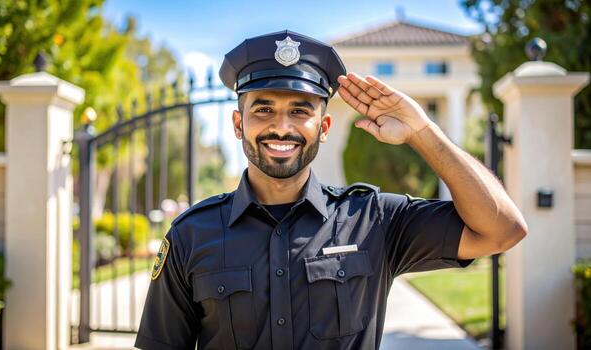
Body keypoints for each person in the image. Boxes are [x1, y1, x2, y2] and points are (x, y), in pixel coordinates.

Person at [134, 30, 527, 350]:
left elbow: (503, 230)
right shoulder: (190, 235)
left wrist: (423, 133)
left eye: (301, 110)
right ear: (239, 124)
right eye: (263, 109)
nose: (282, 127)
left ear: (323, 128)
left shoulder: (373, 220)